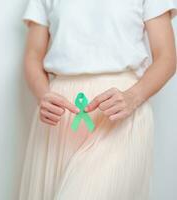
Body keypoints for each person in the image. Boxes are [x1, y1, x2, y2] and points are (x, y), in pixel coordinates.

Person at [18, 0, 177, 199]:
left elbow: (167, 57)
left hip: (119, 113)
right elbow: (33, 56)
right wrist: (44, 96)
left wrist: (132, 97)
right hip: (59, 116)